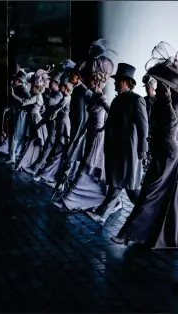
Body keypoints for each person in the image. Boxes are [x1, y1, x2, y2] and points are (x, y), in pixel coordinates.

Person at [110, 61, 178, 248]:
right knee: (154, 194)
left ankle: (127, 234)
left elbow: (173, 122)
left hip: (169, 153)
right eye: (157, 85)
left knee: (150, 193)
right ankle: (148, 232)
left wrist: (167, 102)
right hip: (159, 151)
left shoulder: (176, 102)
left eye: (161, 85)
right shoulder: (156, 101)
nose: (157, 88)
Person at [52, 39, 121, 212]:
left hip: (97, 135)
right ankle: (101, 198)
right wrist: (72, 69)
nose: (89, 80)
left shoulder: (100, 96)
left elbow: (111, 112)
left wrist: (105, 128)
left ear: (97, 80)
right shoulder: (94, 93)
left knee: (86, 166)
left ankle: (69, 201)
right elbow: (83, 86)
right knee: (87, 166)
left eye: (91, 78)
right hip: (90, 132)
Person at [87, 63, 148, 224]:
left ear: (128, 82)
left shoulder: (136, 100)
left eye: (118, 80)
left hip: (129, 150)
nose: (115, 83)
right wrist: (103, 130)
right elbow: (112, 120)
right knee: (126, 185)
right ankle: (149, 214)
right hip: (116, 149)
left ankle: (102, 214)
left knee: (123, 184)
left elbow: (143, 126)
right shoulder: (117, 100)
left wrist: (143, 148)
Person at [33, 80, 74, 185]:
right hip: (61, 123)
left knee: (58, 151)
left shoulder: (66, 98)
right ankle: (50, 175)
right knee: (58, 152)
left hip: (64, 125)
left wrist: (43, 121)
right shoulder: (66, 98)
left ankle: (45, 175)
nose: (59, 87)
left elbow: (56, 110)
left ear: (65, 88)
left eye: (61, 86)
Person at [24, 72, 63, 174]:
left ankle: (36, 168)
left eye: (51, 81)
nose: (49, 82)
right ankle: (38, 166)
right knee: (47, 144)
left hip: (55, 124)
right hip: (49, 121)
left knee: (48, 145)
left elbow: (50, 103)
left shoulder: (58, 94)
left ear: (56, 83)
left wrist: (44, 94)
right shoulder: (52, 93)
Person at [11, 70, 49, 172]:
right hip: (34, 117)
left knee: (34, 140)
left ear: (37, 88)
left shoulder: (36, 96)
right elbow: (42, 108)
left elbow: (24, 102)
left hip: (35, 119)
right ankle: (29, 161)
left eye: (33, 87)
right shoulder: (39, 96)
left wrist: (13, 95)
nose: (31, 88)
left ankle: (28, 161)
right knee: (32, 140)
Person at [0, 70, 30, 162]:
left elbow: (26, 103)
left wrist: (13, 107)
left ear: (19, 81)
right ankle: (11, 155)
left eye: (16, 79)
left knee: (15, 136)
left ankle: (12, 157)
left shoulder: (23, 90)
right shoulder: (16, 88)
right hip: (15, 113)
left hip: (20, 115)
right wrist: (9, 108)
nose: (14, 80)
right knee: (12, 135)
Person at [142, 73, 157, 173]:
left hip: (153, 131)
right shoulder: (143, 99)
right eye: (146, 87)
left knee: (151, 153)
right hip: (144, 129)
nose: (147, 89)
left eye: (149, 87)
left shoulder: (158, 101)